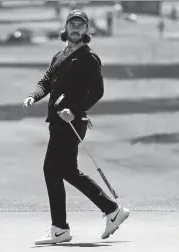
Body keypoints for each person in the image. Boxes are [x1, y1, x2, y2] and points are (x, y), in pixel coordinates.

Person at [22, 9, 130, 245]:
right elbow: (46, 81)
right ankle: (111, 210)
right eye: (72, 24)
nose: (76, 29)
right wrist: (33, 96)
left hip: (72, 122)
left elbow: (97, 91)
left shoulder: (88, 57)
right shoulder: (60, 55)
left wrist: (76, 109)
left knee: (51, 169)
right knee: (67, 170)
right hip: (58, 122)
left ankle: (60, 228)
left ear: (86, 30)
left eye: (80, 25)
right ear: (66, 28)